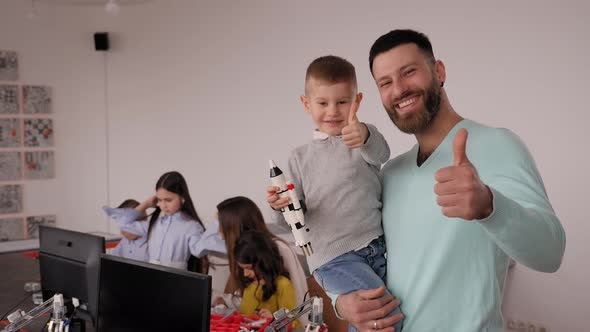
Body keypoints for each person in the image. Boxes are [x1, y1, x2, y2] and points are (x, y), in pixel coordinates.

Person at [334, 29, 566, 332]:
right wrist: (341, 303)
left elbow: (551, 253)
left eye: (409, 72)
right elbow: (352, 248)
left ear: (439, 71)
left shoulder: (498, 145)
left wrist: (490, 206)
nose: (400, 89)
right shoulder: (388, 173)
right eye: (385, 83)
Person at [266, 55, 401, 332]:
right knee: (384, 316)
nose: (333, 111)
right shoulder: (299, 158)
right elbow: (287, 221)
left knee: (369, 320)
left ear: (357, 102)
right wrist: (280, 205)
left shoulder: (362, 140)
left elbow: (382, 153)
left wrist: (363, 133)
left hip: (377, 249)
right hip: (333, 256)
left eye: (342, 102)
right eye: (323, 103)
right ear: (306, 104)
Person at [214, 196, 308, 318]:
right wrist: (224, 302)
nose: (218, 231)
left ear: (234, 226)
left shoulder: (279, 249)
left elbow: (298, 300)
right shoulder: (243, 257)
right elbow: (247, 301)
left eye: (221, 224)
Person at [105, 171, 209, 271]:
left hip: (177, 281)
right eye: (159, 200)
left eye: (168, 200)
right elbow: (122, 223)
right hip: (152, 279)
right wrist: (145, 204)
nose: (163, 205)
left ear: (182, 197)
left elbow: (200, 251)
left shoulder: (191, 226)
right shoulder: (154, 224)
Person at [234, 230, 300, 329]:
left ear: (263, 261)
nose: (245, 273)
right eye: (242, 268)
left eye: (249, 268)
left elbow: (293, 321)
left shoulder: (282, 285)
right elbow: (244, 316)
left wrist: (273, 319)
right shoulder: (250, 284)